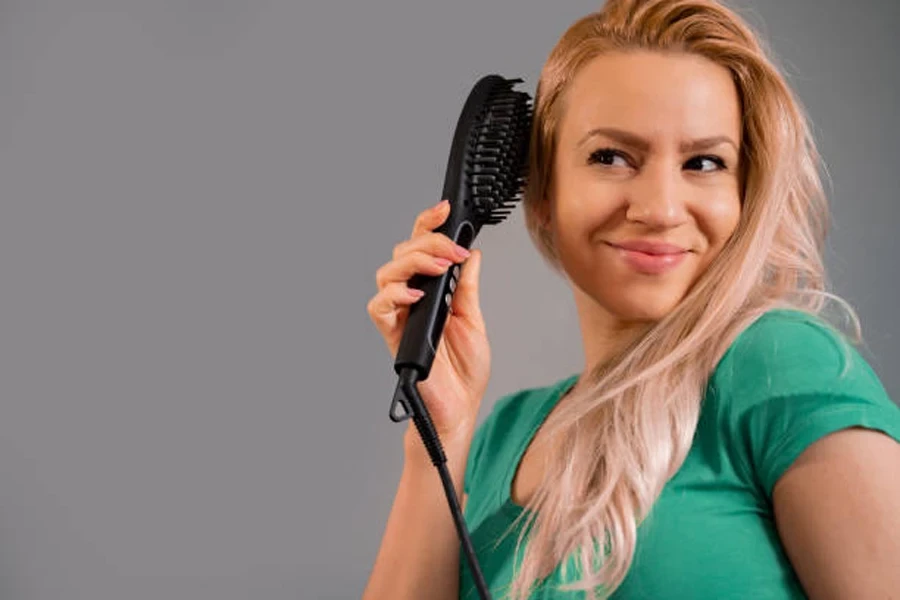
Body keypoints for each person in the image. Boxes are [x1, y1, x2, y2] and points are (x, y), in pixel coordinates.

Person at [363, 0, 900, 598]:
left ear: (744, 193)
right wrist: (436, 434)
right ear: (541, 190)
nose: (660, 209)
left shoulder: (780, 364)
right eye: (611, 157)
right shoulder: (500, 439)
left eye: (704, 162)